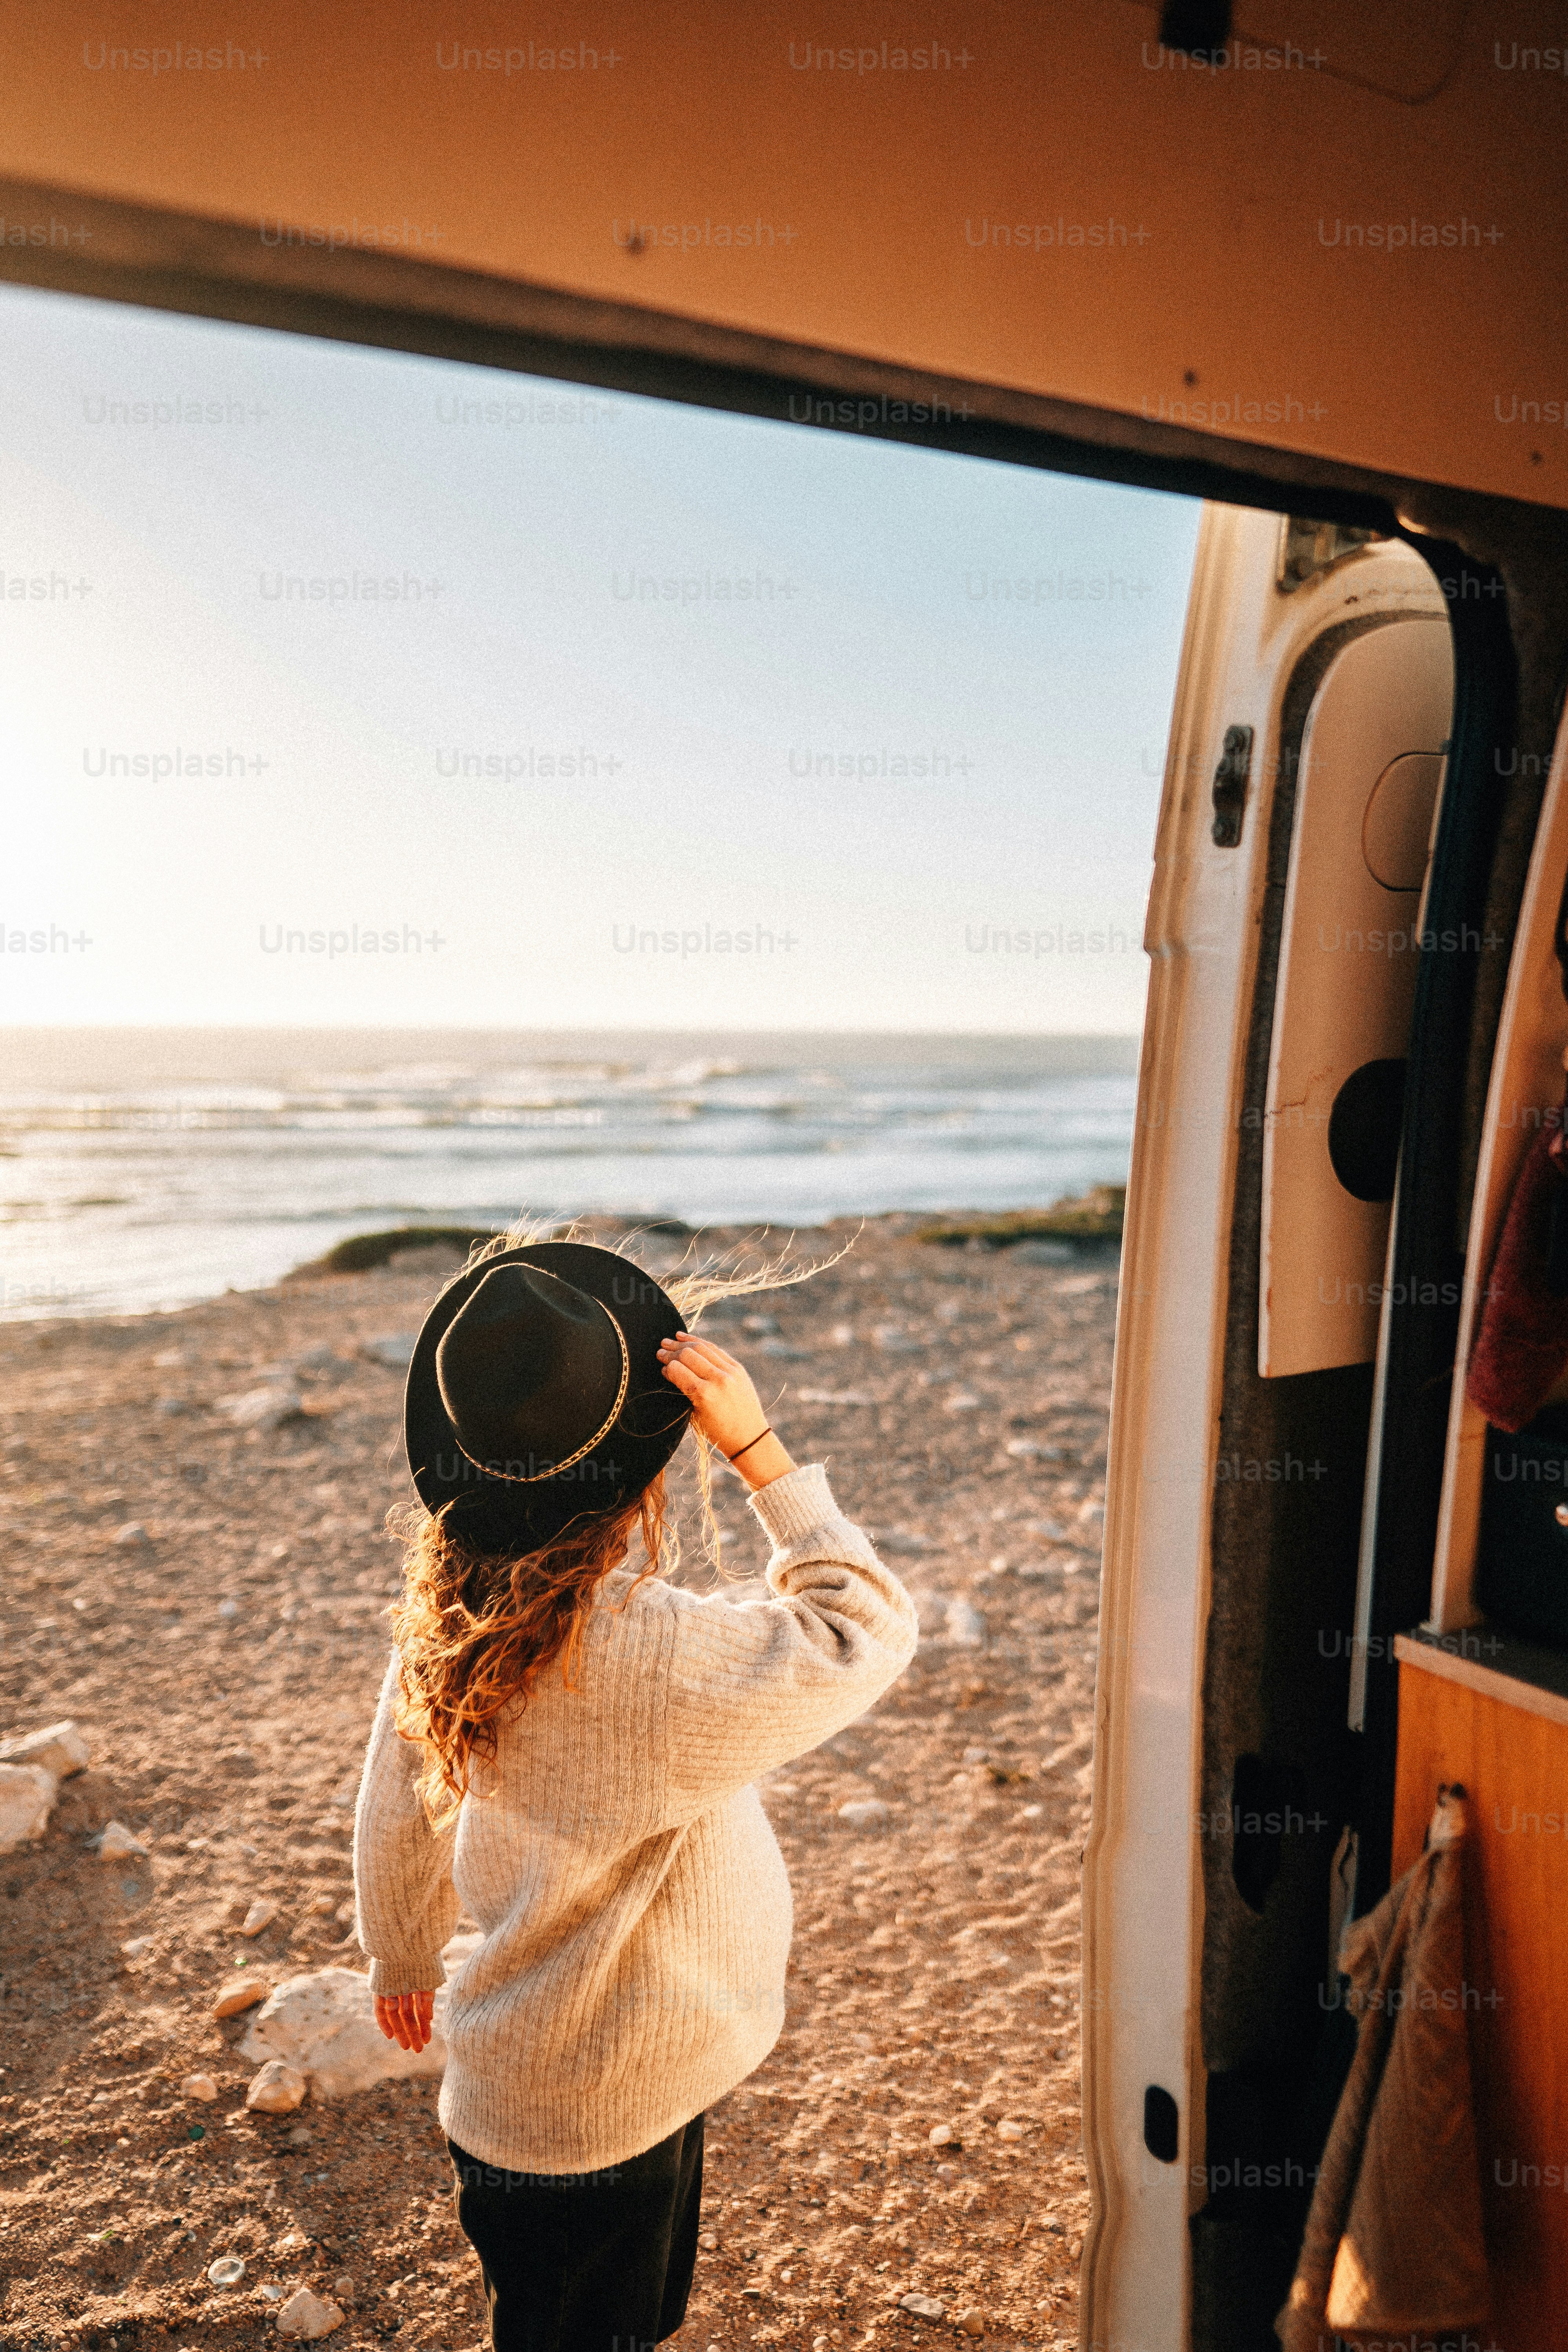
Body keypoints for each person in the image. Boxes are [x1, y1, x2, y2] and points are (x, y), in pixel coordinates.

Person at [352, 1236, 917, 2352]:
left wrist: (402, 1950)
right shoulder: (651, 1658)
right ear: (638, 1469)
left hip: (529, 2088)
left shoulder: (455, 1612)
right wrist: (759, 1451)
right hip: (609, 2102)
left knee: (580, 2321)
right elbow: (867, 1628)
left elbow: (398, 1792)